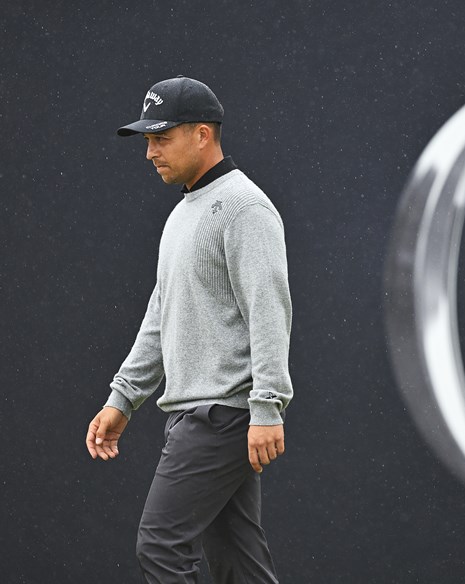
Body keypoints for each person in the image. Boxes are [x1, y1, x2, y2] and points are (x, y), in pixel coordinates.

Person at [85, 76, 293, 584]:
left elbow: (269, 310)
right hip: (200, 413)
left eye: (161, 138)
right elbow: (161, 315)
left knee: (160, 546)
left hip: (221, 415)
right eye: (148, 140)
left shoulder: (245, 208)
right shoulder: (184, 212)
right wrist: (122, 398)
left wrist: (268, 406)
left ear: (202, 134)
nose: (150, 152)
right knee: (237, 563)